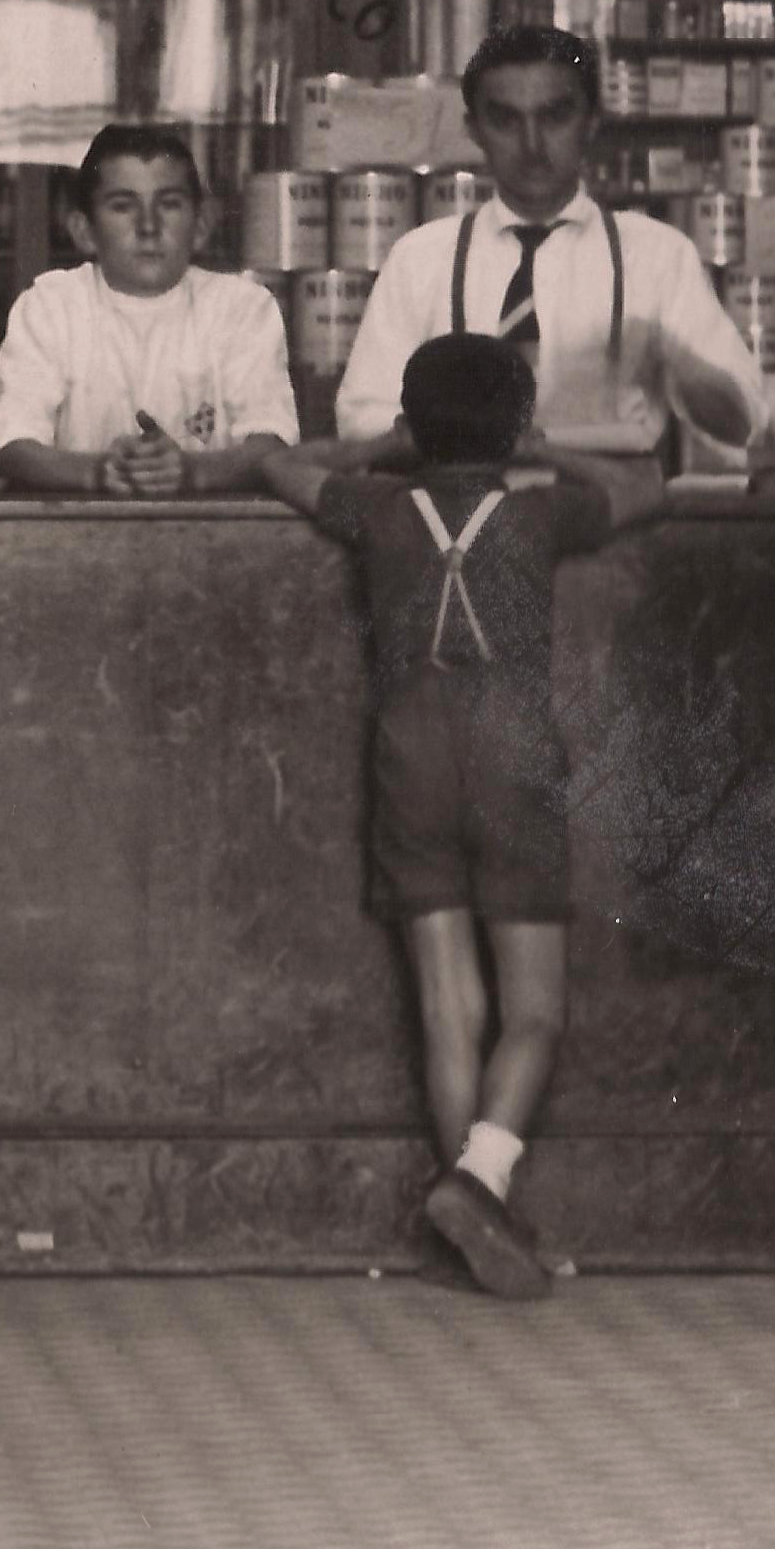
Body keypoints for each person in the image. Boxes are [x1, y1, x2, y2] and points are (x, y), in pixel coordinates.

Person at [238, 332, 664, 1297]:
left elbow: (277, 461)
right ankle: (480, 1182)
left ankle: (473, 1216)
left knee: (447, 1006)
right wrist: (549, 448)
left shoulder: (378, 509)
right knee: (537, 1011)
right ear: (515, 423)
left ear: (410, 421)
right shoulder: (541, 514)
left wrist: (382, 450)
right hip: (514, 762)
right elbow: (652, 489)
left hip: (410, 759)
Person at [327, 23, 766, 464]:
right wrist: (469, 437)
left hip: (608, 515)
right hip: (461, 508)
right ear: (474, 130)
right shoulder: (420, 259)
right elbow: (361, 417)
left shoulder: (656, 257)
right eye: (505, 120)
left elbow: (745, 423)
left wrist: (679, 359)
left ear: (592, 123)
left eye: (554, 116)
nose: (532, 145)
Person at [0, 119, 305, 495]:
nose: (148, 226)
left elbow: (272, 444)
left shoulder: (242, 308)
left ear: (201, 225)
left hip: (212, 541)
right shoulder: (50, 306)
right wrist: (97, 471)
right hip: (75, 541)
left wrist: (193, 471)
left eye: (169, 204)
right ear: (84, 230)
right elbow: (11, 445)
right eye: (123, 206)